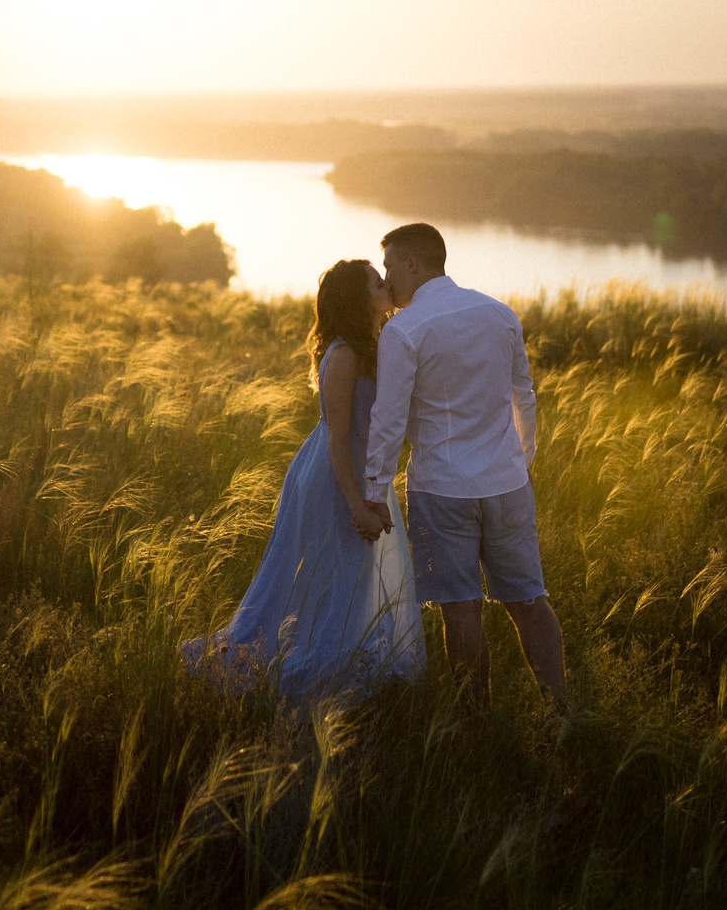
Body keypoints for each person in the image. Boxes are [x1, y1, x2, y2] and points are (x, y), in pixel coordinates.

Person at [181, 258, 423, 700]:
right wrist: (355, 503)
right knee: (328, 575)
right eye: (375, 280)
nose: (385, 282)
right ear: (358, 297)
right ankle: (302, 670)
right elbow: (336, 437)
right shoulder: (346, 353)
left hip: (361, 475)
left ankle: (335, 665)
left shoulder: (378, 342)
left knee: (352, 576)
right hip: (334, 477)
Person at [363, 222, 566, 711]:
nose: (387, 279)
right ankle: (560, 711)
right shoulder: (499, 313)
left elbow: (388, 422)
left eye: (390, 265)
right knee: (529, 601)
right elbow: (525, 397)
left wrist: (373, 492)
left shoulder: (405, 330)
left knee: (460, 610)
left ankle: (477, 720)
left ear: (413, 263)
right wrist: (522, 461)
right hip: (506, 483)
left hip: (441, 489)